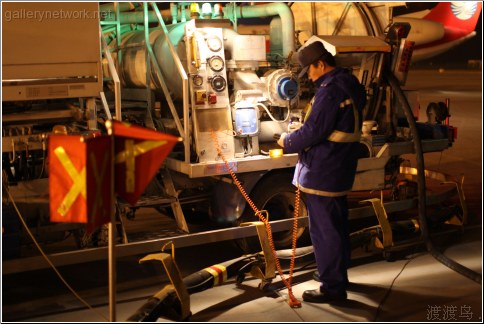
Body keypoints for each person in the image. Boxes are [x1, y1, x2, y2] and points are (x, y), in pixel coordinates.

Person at [277, 41, 366, 303]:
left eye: (310, 71)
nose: (310, 77)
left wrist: (287, 141)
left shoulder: (329, 91)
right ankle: (337, 274)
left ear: (321, 64)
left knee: (324, 230)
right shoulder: (350, 83)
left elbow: (314, 130)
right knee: (337, 225)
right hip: (340, 167)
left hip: (324, 169)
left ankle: (332, 288)